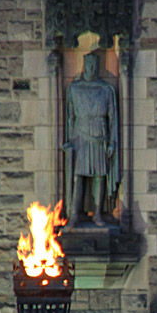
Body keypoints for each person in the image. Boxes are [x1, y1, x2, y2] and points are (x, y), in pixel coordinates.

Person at [63, 52, 119, 229]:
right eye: (89, 65)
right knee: (78, 177)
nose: (91, 69)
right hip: (80, 138)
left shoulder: (106, 90)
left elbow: (113, 118)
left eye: (94, 66)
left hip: (99, 137)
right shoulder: (74, 89)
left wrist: (112, 142)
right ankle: (73, 214)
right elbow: (70, 117)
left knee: (99, 176)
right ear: (84, 66)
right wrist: (68, 140)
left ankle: (97, 214)